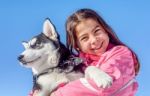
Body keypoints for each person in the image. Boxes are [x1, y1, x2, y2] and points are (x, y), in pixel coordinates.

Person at [31, 8, 140, 96]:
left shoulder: (121, 54)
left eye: (97, 31)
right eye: (84, 38)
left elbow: (102, 87)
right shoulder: (76, 64)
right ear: (77, 46)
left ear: (106, 30)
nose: (94, 40)